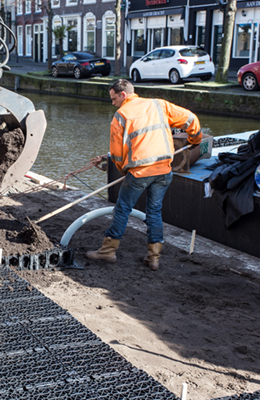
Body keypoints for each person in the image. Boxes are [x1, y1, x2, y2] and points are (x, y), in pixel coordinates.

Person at [86, 79, 202, 271]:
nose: (113, 103)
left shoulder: (120, 115)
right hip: (164, 171)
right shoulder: (159, 104)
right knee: (154, 212)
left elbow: (116, 154)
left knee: (122, 209)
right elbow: (191, 119)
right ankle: (153, 257)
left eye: (114, 98)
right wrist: (194, 139)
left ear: (123, 95)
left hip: (139, 172)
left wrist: (124, 170)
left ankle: (108, 251)